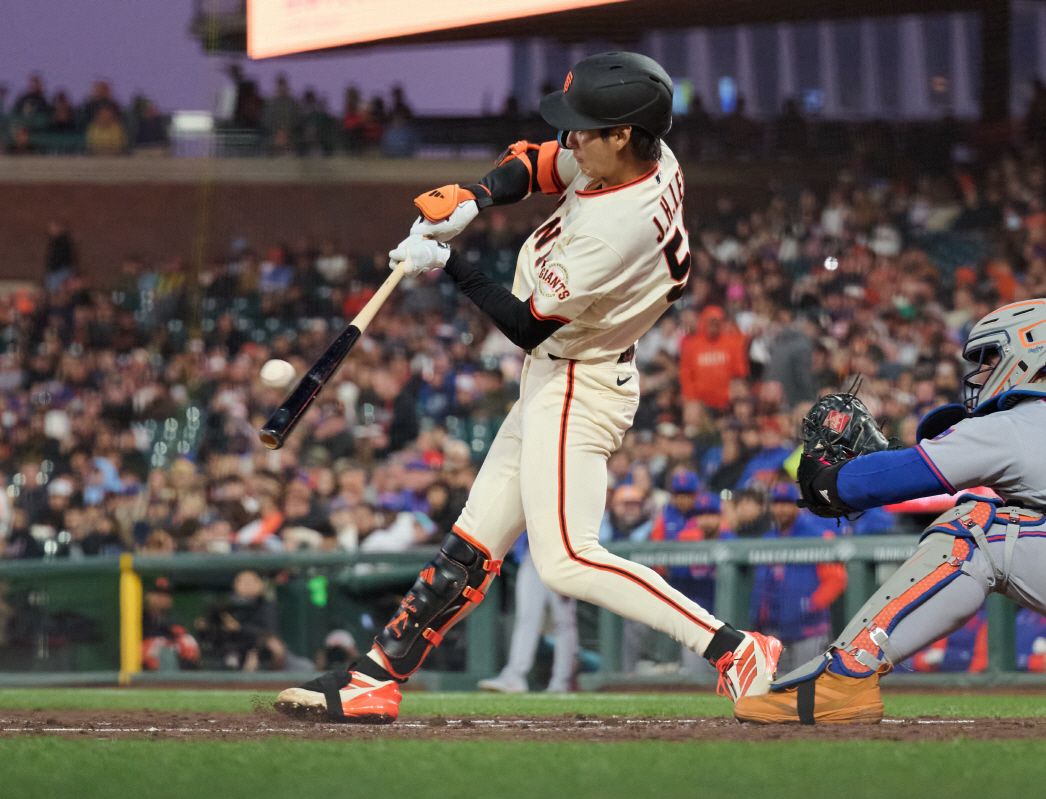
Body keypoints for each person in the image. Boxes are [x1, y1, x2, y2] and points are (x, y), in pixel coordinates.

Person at [276, 52, 781, 723]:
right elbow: (541, 164)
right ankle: (377, 675)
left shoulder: (614, 228)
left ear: (623, 133)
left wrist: (449, 262)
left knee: (568, 560)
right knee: (475, 536)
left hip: (580, 376)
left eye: (584, 127)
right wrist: (474, 198)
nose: (570, 138)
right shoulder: (644, 156)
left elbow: (525, 326)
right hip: (563, 372)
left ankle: (733, 648)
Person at [736, 297, 1046, 724]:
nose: (980, 372)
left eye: (990, 357)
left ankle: (843, 679)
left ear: (1029, 351)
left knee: (975, 527)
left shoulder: (1023, 419)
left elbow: (886, 480)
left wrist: (827, 480)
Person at [749, 482, 847, 672]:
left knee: (809, 684)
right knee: (776, 686)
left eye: (787, 503)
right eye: (777, 503)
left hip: (809, 629)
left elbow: (837, 580)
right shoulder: (767, 539)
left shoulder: (816, 535)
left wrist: (810, 605)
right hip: (773, 628)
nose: (781, 508)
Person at [477, 532, 577, 693]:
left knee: (563, 622)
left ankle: (562, 682)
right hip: (532, 554)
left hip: (563, 554)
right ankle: (514, 677)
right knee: (526, 620)